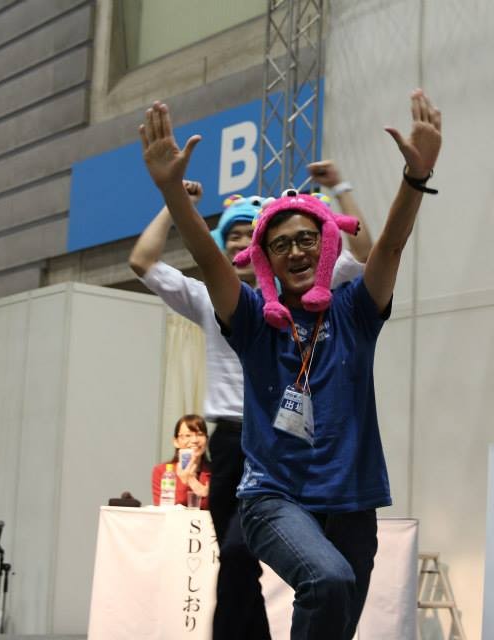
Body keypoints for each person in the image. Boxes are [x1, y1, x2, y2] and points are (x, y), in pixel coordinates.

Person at [138, 88, 441, 639]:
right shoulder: (254, 319)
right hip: (272, 497)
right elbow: (207, 259)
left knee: (336, 615)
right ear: (265, 259)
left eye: (307, 238)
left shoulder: (354, 311)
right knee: (326, 579)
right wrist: (171, 194)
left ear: (326, 244)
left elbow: (390, 249)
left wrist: (415, 178)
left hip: (353, 500)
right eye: (281, 245)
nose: (296, 250)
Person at [129, 164, 371, 639]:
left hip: (294, 440)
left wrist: (340, 189)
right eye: (232, 235)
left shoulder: (302, 296)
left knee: (325, 564)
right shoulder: (213, 299)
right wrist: (176, 205)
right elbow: (142, 261)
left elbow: (363, 255)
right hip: (234, 440)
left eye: (250, 233)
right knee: (237, 557)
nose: (241, 241)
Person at [151, 414, 211, 508]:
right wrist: (188, 482)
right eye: (188, 435)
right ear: (176, 441)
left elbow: (219, 506)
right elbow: (165, 507)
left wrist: (192, 481)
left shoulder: (216, 471)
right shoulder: (162, 471)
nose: (194, 440)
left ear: (207, 440)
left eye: (200, 434)